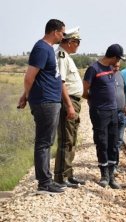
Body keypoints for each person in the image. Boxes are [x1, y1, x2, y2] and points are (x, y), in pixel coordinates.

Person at [17, 19, 66, 194]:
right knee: (44, 142)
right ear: (54, 31)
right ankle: (44, 183)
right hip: (45, 101)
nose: (63, 36)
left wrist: (24, 96)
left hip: (49, 100)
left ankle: (46, 181)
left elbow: (37, 78)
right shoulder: (41, 48)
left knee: (46, 141)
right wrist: (28, 96)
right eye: (62, 32)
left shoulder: (48, 49)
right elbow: (29, 77)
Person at [82, 44, 126, 189]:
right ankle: (104, 175)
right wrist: (94, 101)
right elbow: (84, 90)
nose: (118, 62)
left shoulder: (110, 69)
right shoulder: (93, 69)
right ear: (114, 57)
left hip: (113, 111)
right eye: (118, 59)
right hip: (100, 112)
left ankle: (112, 175)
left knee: (113, 143)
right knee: (102, 142)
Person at [53, 27, 86, 188]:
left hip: (73, 101)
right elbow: (61, 83)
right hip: (69, 102)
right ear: (70, 42)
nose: (78, 46)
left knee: (71, 139)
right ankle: (60, 177)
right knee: (66, 140)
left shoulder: (66, 56)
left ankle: (68, 174)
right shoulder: (61, 56)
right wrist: (68, 106)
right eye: (77, 42)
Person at [113, 62, 126, 172]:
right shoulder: (105, 75)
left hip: (121, 112)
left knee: (119, 140)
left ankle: (115, 164)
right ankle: (110, 164)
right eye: (114, 66)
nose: (116, 68)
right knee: (111, 140)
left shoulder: (120, 75)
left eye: (118, 67)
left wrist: (125, 105)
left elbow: (125, 91)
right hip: (110, 113)